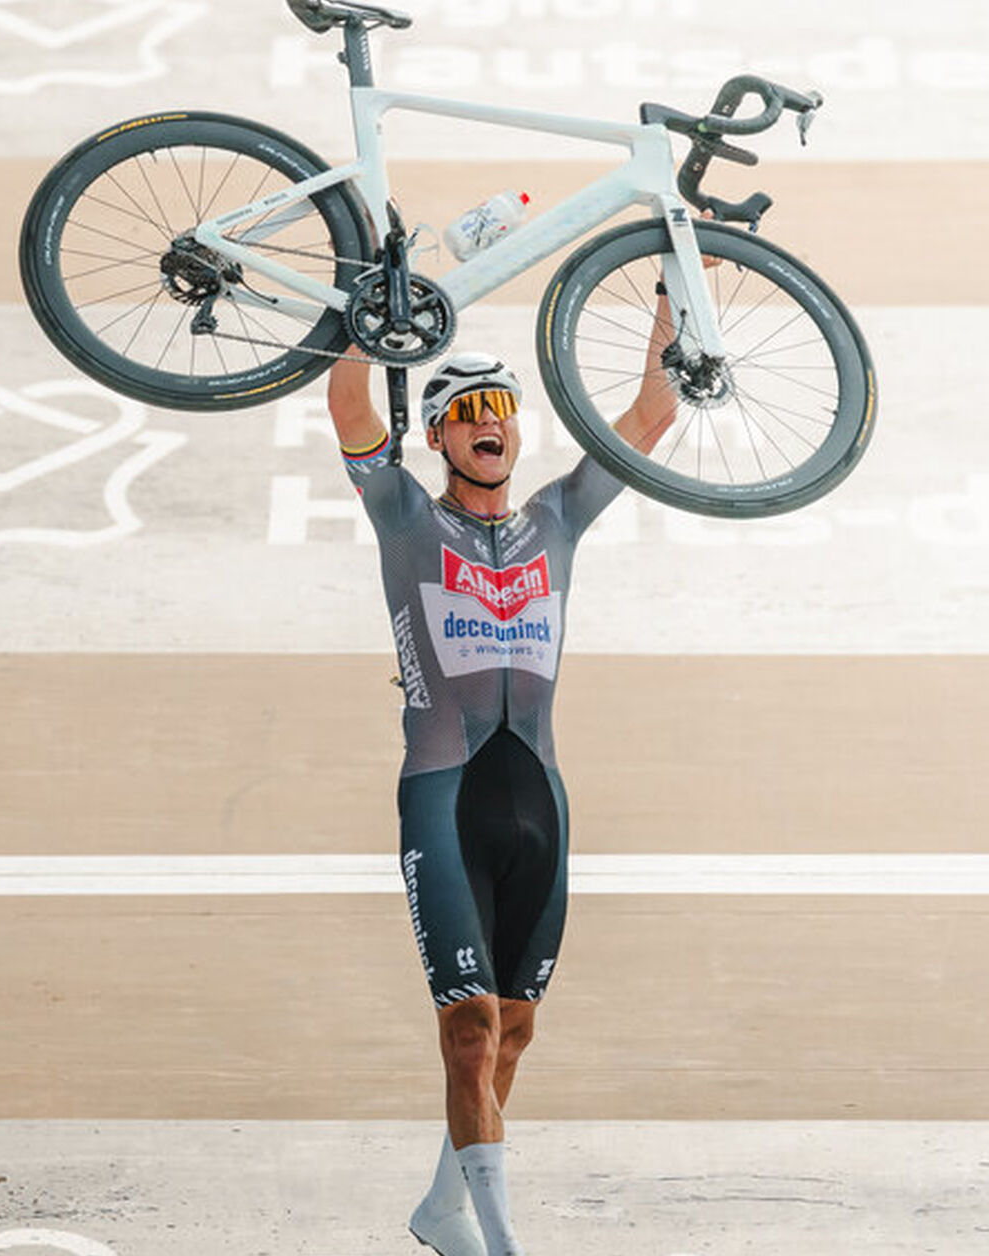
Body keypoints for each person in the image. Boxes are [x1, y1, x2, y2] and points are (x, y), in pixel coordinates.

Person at [327, 299, 684, 1256]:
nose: (491, 420)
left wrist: (669, 305)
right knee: (470, 1029)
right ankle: (498, 1244)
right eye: (468, 409)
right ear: (439, 434)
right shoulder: (403, 514)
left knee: (514, 1031)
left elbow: (650, 421)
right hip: (443, 794)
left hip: (540, 799)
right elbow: (350, 401)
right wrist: (375, 322)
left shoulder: (558, 519)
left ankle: (445, 1207)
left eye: (503, 406)